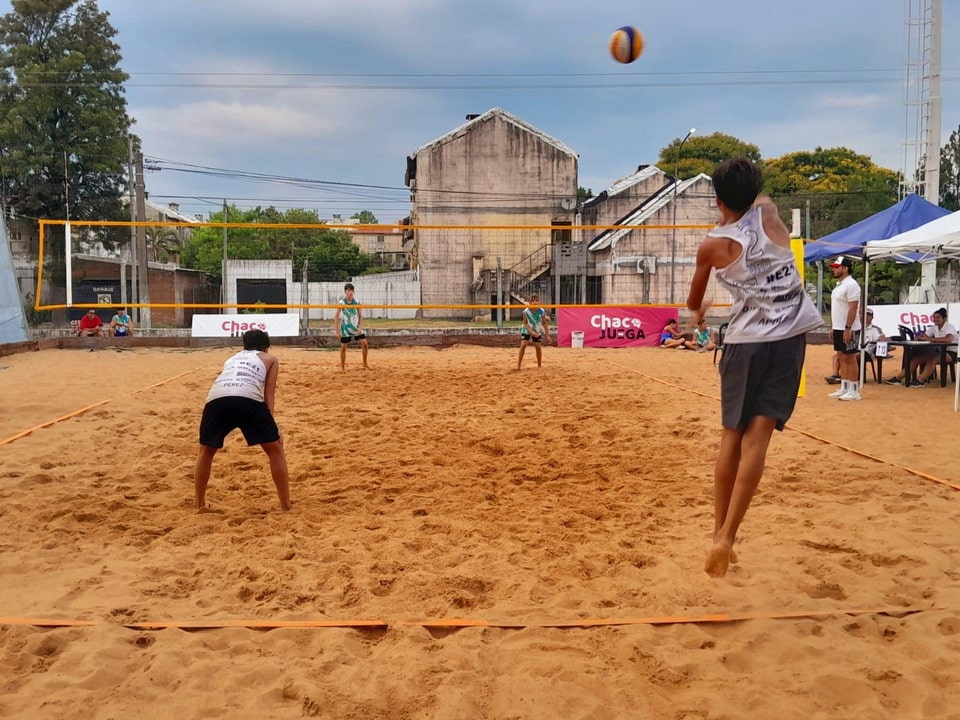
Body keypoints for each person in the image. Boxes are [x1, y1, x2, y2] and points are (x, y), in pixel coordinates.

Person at [686, 157, 822, 579]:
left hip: (747, 342)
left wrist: (701, 311)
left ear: (717, 199)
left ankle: (717, 533)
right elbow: (759, 197)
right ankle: (730, 535)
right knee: (758, 441)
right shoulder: (772, 218)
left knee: (732, 438)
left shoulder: (713, 244)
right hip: (790, 338)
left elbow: (694, 302)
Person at [194, 329, 291, 512]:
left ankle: (199, 504)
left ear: (244, 345)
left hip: (216, 399)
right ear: (266, 347)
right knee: (275, 449)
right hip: (248, 399)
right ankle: (285, 504)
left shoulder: (231, 359)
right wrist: (273, 426)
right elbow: (268, 393)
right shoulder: (270, 359)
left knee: (205, 451)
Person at [884, 307, 956, 387]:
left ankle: (920, 380)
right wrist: (920, 338)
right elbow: (925, 336)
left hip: (953, 352)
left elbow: (948, 340)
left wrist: (928, 338)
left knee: (932, 359)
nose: (935, 319)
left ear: (944, 318)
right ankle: (898, 378)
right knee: (916, 359)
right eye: (934, 318)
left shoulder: (950, 327)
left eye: (938, 317)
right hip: (939, 351)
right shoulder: (934, 328)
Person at [827, 256, 862, 401]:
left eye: (837, 267)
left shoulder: (852, 285)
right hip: (839, 327)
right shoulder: (839, 285)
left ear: (845, 268)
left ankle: (854, 390)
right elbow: (837, 309)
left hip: (849, 327)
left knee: (850, 357)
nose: (834, 269)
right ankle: (845, 387)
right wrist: (834, 327)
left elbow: (853, 308)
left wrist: (848, 328)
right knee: (841, 356)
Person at [333, 282, 369, 371]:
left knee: (365, 344)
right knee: (343, 347)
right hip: (345, 328)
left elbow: (361, 316)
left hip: (356, 327)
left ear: (354, 291)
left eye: (352, 290)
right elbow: (336, 317)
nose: (350, 292)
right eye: (348, 290)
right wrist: (337, 331)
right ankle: (342, 367)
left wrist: (360, 327)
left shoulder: (357, 302)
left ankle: (365, 363)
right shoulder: (341, 303)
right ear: (345, 292)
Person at [516, 292, 551, 369]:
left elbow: (544, 323)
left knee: (538, 346)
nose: (535, 302)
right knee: (523, 345)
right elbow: (525, 323)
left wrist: (547, 335)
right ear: (530, 302)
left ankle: (539, 365)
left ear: (539, 302)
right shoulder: (526, 311)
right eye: (533, 301)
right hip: (526, 329)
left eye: (536, 300)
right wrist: (531, 332)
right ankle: (518, 365)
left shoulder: (541, 311)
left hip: (537, 329)